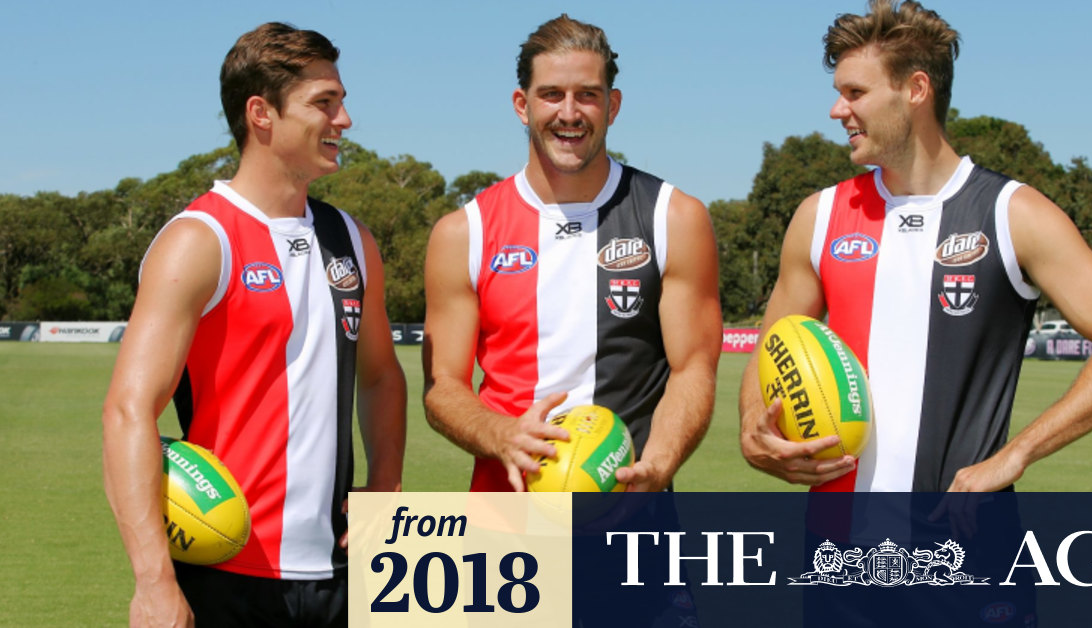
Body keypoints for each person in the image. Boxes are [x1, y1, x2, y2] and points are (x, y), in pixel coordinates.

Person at [739, 0, 1092, 493]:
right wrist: (755, 428)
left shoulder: (1012, 213)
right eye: (839, 93)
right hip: (836, 547)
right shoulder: (819, 216)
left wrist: (1017, 453)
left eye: (856, 92)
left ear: (917, 89)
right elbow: (769, 349)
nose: (838, 110)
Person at [102, 22, 406, 627]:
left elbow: (380, 375)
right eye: (325, 103)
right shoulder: (200, 240)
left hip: (344, 573)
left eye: (341, 101)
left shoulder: (352, 240)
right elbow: (128, 412)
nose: (344, 119)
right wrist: (154, 583)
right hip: (226, 577)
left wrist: (385, 490)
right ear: (261, 113)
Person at [422, 14, 722, 495]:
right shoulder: (463, 233)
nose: (569, 112)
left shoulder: (673, 218)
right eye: (551, 95)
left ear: (612, 105)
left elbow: (694, 368)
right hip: (506, 528)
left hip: (633, 516)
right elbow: (442, 387)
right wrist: (500, 434)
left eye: (587, 94)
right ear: (522, 105)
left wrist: (658, 464)